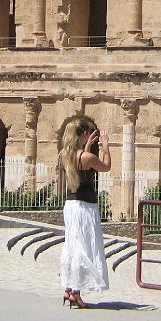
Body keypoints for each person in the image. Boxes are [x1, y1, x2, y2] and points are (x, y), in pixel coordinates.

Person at [58, 117, 111, 308]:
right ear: (83, 134)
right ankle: (76, 291)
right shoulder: (87, 157)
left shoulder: (63, 154)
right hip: (85, 208)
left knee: (72, 245)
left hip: (71, 207)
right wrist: (105, 147)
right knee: (84, 248)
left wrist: (87, 146)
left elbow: (81, 165)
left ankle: (68, 288)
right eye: (89, 133)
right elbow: (105, 167)